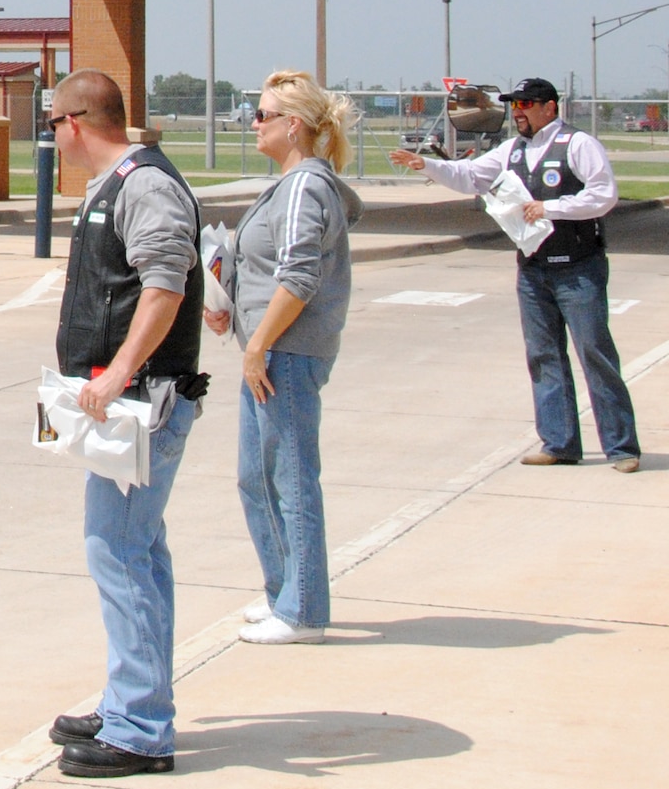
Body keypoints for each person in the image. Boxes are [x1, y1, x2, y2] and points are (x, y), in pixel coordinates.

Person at [41, 69, 208, 779]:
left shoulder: (143, 185)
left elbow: (166, 281)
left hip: (143, 403)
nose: (48, 137)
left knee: (117, 550)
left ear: (77, 120)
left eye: (50, 124)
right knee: (135, 551)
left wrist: (116, 373)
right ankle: (130, 702)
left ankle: (140, 730)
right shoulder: (114, 187)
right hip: (121, 405)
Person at [391, 77, 639, 471]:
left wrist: (551, 208)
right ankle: (559, 444)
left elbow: (603, 194)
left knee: (594, 352)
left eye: (526, 104)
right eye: (515, 105)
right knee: (543, 356)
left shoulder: (578, 145)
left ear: (550, 108)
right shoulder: (512, 151)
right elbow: (471, 176)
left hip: (579, 268)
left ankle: (622, 448)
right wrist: (428, 165)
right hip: (534, 269)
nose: (518, 112)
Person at [204, 71, 363, 647]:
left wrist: (257, 344)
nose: (254, 123)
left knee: (291, 479)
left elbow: (299, 274)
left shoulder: (303, 188)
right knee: (256, 479)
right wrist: (227, 304)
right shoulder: (290, 185)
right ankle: (283, 591)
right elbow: (268, 266)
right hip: (269, 350)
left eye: (263, 115)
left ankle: (303, 612)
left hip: (285, 355)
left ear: (292, 125)